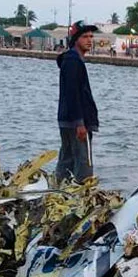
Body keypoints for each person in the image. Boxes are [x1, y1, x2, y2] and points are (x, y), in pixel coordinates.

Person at [55, 20, 100, 183]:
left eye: (91, 36)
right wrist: (80, 123)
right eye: (85, 37)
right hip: (76, 122)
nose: (89, 40)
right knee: (83, 164)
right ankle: (83, 196)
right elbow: (73, 93)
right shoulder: (73, 61)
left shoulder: (71, 60)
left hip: (67, 119)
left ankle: (59, 190)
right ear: (75, 39)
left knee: (66, 160)